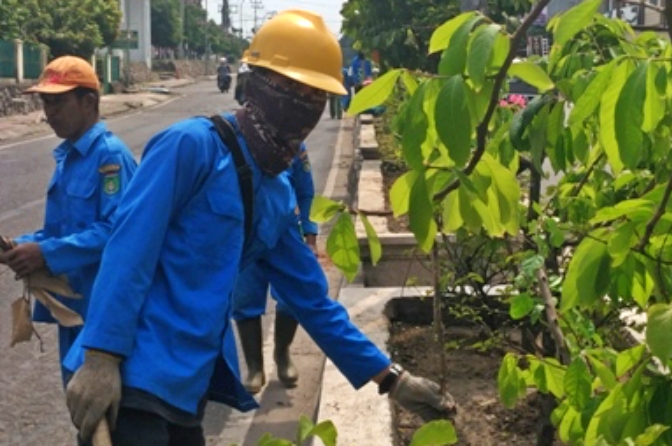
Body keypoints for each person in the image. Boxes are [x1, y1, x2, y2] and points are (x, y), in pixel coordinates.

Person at [62, 10, 455, 445]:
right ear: (258, 85)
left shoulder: (275, 195)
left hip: (187, 390)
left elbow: (313, 303)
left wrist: (395, 380)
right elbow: (128, 250)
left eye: (316, 95)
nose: (304, 105)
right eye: (292, 89)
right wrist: (101, 357)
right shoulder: (191, 146)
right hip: (131, 376)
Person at [0, 56, 136, 384]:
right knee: (77, 398)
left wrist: (45, 254)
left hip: (103, 309)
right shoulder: (69, 157)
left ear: (88, 102)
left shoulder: (109, 156)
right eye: (46, 103)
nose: (49, 113)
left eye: (58, 102)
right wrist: (22, 247)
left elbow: (119, 232)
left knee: (102, 402)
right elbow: (62, 230)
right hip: (73, 304)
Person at [234, 143, 320, 393]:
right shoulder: (234, 140)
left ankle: (282, 353)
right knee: (244, 298)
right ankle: (254, 367)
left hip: (285, 235)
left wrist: (310, 237)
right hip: (246, 236)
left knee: (291, 296)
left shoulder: (292, 141)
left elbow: (306, 192)